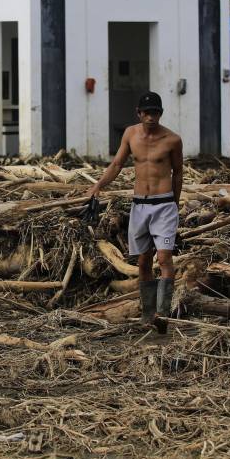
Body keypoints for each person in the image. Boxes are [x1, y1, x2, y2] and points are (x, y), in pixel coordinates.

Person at [86, 91, 182, 332]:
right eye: (147, 112)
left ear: (161, 114)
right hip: (140, 204)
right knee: (143, 261)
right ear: (139, 113)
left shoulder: (172, 140)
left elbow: (178, 172)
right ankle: (148, 314)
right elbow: (117, 164)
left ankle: (163, 313)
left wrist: (174, 203)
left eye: (155, 112)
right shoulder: (131, 134)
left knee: (164, 258)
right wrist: (98, 185)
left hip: (164, 204)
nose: (151, 117)